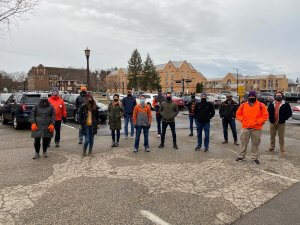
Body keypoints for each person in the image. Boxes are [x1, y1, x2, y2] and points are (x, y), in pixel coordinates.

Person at [236, 91, 269, 164]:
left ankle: (254, 158)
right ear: (248, 97)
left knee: (255, 143)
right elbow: (238, 114)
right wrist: (242, 120)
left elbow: (265, 116)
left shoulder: (261, 105)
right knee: (243, 143)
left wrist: (257, 122)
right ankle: (241, 156)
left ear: (255, 96)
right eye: (250, 96)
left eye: (253, 96)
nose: (252, 97)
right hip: (245, 127)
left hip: (256, 128)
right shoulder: (243, 105)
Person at [30, 94, 55, 159]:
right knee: (37, 140)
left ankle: (44, 152)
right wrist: (33, 123)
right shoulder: (36, 106)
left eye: (45, 98)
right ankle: (37, 153)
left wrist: (52, 123)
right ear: (40, 98)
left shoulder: (51, 106)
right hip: (37, 126)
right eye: (43, 98)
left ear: (47, 99)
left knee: (46, 140)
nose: (44, 99)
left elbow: (53, 116)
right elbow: (32, 114)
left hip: (47, 125)